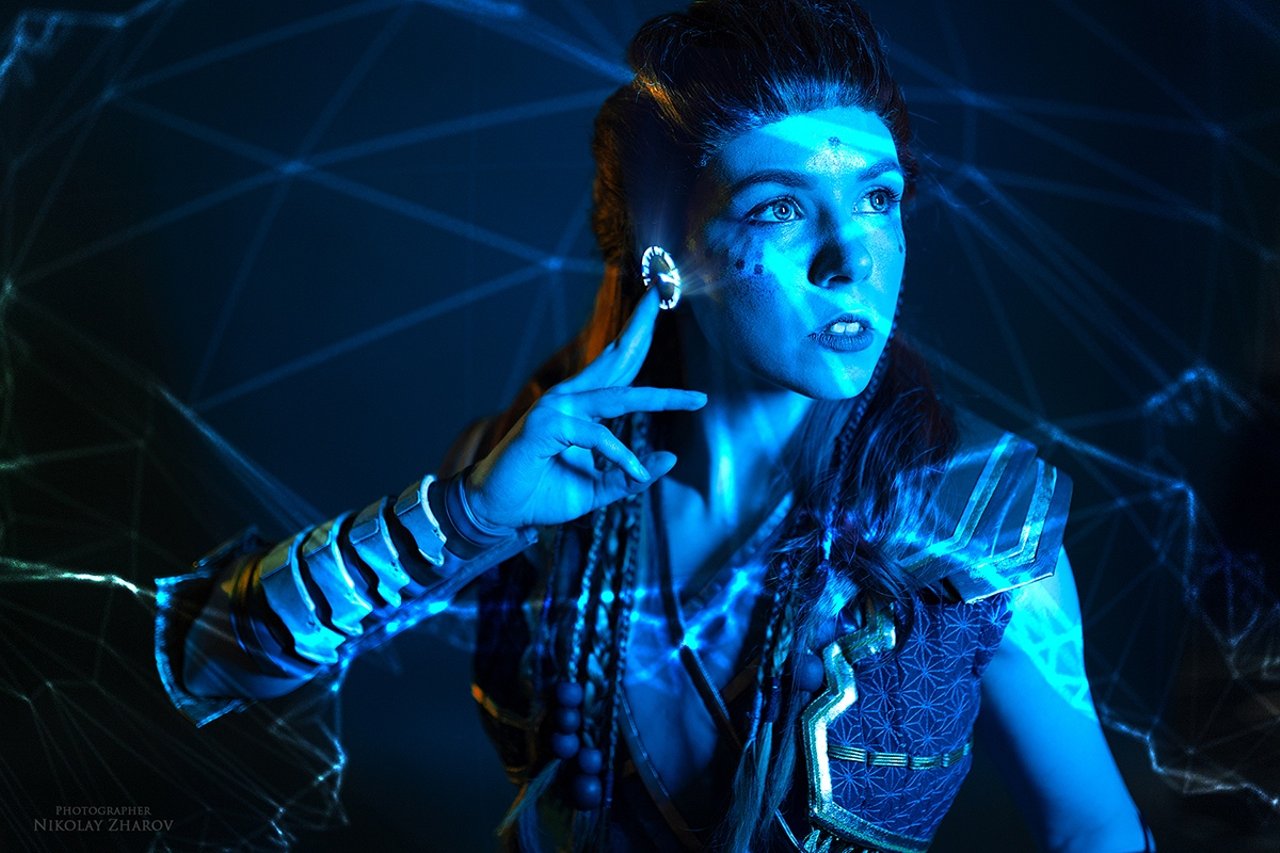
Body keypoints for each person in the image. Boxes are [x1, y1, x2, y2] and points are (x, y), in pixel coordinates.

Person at [155, 1, 1156, 849]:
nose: (852, 258)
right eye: (778, 209)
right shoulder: (530, 477)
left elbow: (1094, 830)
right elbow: (214, 661)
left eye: (879, 198)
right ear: (664, 259)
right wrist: (466, 516)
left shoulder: (979, 522)